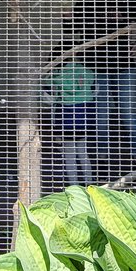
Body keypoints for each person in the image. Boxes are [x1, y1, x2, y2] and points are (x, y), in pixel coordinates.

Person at [66, 0, 136, 164]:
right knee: (101, 114)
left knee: (128, 112)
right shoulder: (87, 1)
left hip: (124, 64)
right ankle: (101, 153)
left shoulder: (129, 2)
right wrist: (67, 19)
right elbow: (73, 30)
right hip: (95, 65)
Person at [41, 51, 98, 187]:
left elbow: (48, 99)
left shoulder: (54, 77)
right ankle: (90, 185)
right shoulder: (86, 72)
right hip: (85, 119)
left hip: (66, 120)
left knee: (69, 157)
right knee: (83, 153)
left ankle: (74, 188)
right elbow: (95, 91)